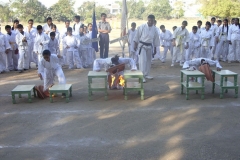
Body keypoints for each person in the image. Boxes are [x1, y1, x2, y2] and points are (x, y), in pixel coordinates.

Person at [133, 15, 160, 83]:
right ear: (147, 20)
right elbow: (137, 36)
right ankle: (141, 76)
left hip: (150, 46)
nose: (150, 22)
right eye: (149, 20)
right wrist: (135, 44)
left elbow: (156, 39)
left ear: (154, 21)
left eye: (152, 21)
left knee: (148, 61)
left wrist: (155, 49)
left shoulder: (155, 29)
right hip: (142, 45)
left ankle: (146, 74)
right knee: (142, 61)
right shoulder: (142, 26)